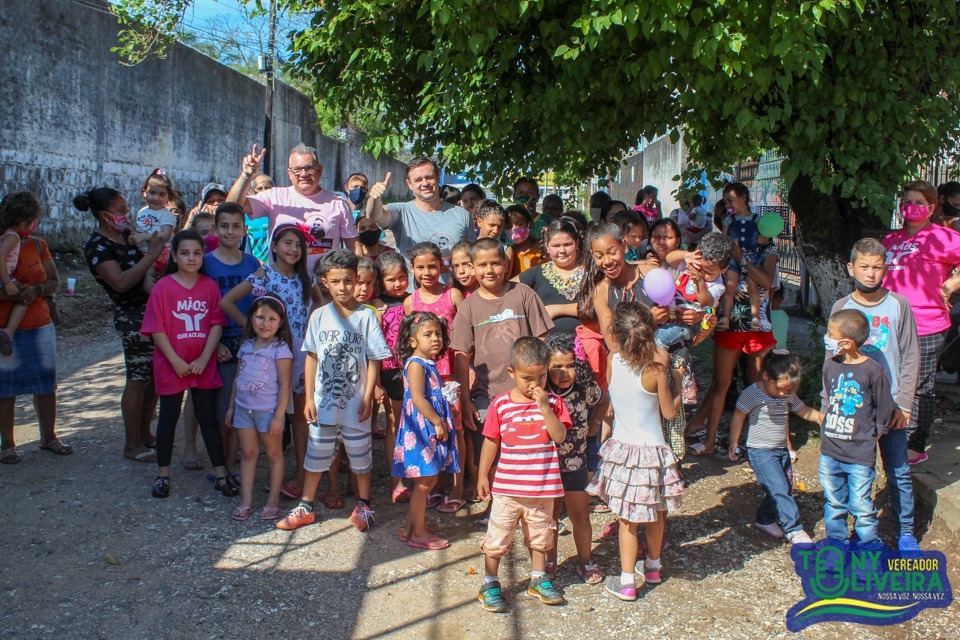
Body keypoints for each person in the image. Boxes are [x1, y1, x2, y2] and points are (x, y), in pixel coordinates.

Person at [276, 250, 391, 532]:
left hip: (356, 403)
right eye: (336, 281)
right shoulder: (318, 316)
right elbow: (312, 356)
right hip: (323, 402)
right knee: (316, 455)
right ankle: (306, 505)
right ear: (325, 282)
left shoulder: (366, 317)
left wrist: (367, 396)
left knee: (360, 455)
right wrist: (310, 396)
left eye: (349, 280)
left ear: (356, 280)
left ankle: (365, 505)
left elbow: (374, 358)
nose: (343, 287)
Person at [587, 302, 683, 601]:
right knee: (657, 513)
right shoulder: (656, 369)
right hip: (653, 452)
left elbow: (614, 399)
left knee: (627, 521)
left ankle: (627, 581)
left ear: (615, 333)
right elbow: (669, 413)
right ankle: (652, 567)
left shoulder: (613, 360)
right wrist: (677, 383)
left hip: (624, 452)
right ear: (650, 332)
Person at [832, 238, 921, 551]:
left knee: (898, 471)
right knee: (859, 474)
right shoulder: (842, 308)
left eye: (877, 267)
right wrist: (832, 405)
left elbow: (910, 355)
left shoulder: (898, 305)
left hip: (893, 406)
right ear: (850, 267)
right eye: (864, 266)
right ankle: (863, 531)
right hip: (855, 410)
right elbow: (832, 358)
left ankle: (906, 532)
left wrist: (905, 403)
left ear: (885, 269)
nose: (870, 274)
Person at [221, 224, 321, 499]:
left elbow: (320, 306)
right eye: (287, 243)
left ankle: (301, 476)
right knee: (264, 411)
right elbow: (227, 302)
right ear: (274, 246)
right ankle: (246, 470)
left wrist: (312, 333)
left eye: (299, 245)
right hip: (267, 357)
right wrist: (253, 333)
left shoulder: (306, 277)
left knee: (299, 417)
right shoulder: (265, 275)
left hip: (299, 355)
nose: (293, 249)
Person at [476, 337, 571, 612]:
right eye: (527, 378)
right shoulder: (501, 405)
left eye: (541, 377)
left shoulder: (553, 403)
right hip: (507, 488)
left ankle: (538, 579)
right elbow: (491, 440)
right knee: (498, 537)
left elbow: (559, 435)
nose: (535, 384)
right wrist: (483, 475)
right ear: (511, 373)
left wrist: (544, 408)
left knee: (542, 536)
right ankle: (490, 582)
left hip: (542, 488)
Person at [141, 230, 238, 499]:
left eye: (197, 253)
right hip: (171, 364)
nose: (191, 258)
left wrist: (204, 358)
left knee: (207, 417)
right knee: (168, 418)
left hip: (201, 364)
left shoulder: (209, 286)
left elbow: (217, 323)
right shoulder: (163, 287)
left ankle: (220, 475)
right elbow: (156, 327)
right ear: (174, 256)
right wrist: (175, 360)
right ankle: (163, 475)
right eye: (184, 253)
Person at [686, 185, 778, 456]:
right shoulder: (728, 230)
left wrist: (743, 257)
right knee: (720, 383)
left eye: (731, 200)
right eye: (725, 201)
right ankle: (710, 439)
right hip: (730, 322)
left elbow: (767, 281)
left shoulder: (767, 245)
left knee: (757, 381)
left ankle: (757, 442)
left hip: (758, 323)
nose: (728, 205)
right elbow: (719, 266)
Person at [80, 187, 164, 462]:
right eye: (120, 210)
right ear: (104, 216)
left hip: (152, 312)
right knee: (138, 378)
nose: (126, 215)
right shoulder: (98, 246)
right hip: (132, 316)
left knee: (153, 377)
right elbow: (121, 282)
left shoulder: (126, 236)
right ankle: (132, 444)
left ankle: (145, 434)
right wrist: (151, 255)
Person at [451, 238, 554, 459]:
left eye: (495, 263)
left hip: (529, 393)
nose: (489, 270)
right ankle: (490, 489)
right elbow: (461, 355)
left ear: (506, 265)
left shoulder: (523, 294)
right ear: (472, 267)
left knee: (530, 449)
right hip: (487, 395)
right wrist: (466, 400)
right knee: (490, 451)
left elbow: (543, 339)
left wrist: (543, 384)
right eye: (482, 265)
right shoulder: (468, 307)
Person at [883, 179, 960, 465]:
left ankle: (914, 445)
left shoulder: (942, 237)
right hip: (890, 323)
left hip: (927, 324)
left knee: (919, 387)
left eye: (918, 202)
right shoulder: (891, 240)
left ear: (931, 207)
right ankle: (893, 435)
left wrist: (952, 284)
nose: (911, 207)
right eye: (907, 201)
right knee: (892, 382)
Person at [0, 193, 71, 464]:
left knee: (45, 384)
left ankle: (49, 437)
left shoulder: (39, 245)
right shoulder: (6, 243)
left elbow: (53, 281)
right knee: (5, 388)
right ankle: (7, 444)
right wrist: (15, 295)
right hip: (5, 327)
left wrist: (36, 290)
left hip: (40, 324)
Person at [190, 203, 261, 474]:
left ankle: (231, 463)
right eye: (224, 226)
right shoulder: (205, 264)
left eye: (236, 226)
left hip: (246, 344)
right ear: (216, 229)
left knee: (240, 409)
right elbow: (197, 305)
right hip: (215, 345)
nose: (230, 231)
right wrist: (213, 342)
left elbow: (257, 304)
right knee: (219, 410)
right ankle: (219, 463)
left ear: (245, 230)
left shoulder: (252, 263)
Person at [819, 309, 897, 547]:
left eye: (831, 334)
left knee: (862, 504)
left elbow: (884, 405)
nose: (827, 337)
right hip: (830, 450)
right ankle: (836, 543)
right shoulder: (830, 366)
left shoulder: (873, 371)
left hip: (859, 453)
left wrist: (877, 431)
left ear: (846, 342)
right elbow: (830, 397)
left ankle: (868, 546)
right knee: (834, 501)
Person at [727, 351, 820, 545]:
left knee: (782, 486)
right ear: (766, 376)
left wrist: (821, 417)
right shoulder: (752, 393)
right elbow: (738, 415)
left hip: (780, 450)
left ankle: (765, 519)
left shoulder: (787, 394)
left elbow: (802, 410)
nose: (783, 394)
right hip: (760, 451)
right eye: (780, 389)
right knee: (779, 488)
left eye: (788, 390)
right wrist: (733, 442)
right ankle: (794, 529)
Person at [228, 143, 358, 271]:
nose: (303, 174)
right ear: (289, 173)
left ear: (319, 170)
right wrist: (246, 175)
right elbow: (232, 207)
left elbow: (355, 249)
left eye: (309, 168)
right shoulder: (274, 197)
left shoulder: (338, 203)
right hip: (283, 287)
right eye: (297, 169)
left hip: (325, 286)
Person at [405, 243, 466, 512]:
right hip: (426, 377)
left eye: (432, 266)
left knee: (456, 430)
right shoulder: (411, 301)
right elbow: (409, 342)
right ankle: (435, 487)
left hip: (450, 374)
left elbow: (464, 336)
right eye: (420, 267)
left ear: (442, 266)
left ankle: (457, 487)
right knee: (432, 431)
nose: (427, 272)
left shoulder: (454, 295)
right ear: (413, 269)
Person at [544, 332, 608, 584]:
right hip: (546, 465)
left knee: (580, 515)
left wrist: (594, 425)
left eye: (570, 365)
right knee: (550, 518)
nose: (563, 372)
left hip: (576, 463)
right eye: (556, 366)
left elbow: (604, 400)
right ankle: (549, 563)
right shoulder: (539, 392)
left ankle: (585, 561)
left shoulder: (584, 389)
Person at [393, 311, 461, 549]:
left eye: (438, 334)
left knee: (427, 480)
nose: (435, 338)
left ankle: (412, 528)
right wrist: (438, 422)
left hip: (427, 427)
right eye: (428, 334)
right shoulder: (416, 364)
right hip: (422, 429)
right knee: (424, 483)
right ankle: (419, 534)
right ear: (413, 341)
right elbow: (418, 399)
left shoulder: (427, 363)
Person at [224, 295, 292, 521]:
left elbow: (284, 385)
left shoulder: (280, 349)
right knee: (249, 453)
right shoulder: (245, 346)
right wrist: (232, 407)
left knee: (273, 454)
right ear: (251, 318)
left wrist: (278, 417)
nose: (265, 324)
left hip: (268, 413)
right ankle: (247, 500)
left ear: (280, 322)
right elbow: (237, 378)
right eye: (260, 317)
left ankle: (273, 500)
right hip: (244, 410)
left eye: (272, 319)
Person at [365, 157, 474, 272]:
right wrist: (374, 197)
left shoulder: (462, 214)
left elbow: (472, 256)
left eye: (429, 177)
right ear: (409, 184)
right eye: (418, 180)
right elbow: (375, 216)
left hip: (453, 288)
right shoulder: (401, 211)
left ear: (438, 177)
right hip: (412, 289)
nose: (425, 183)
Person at [372, 251, 411, 502]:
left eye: (402, 277)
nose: (397, 284)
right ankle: (396, 478)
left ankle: (416, 473)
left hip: (412, 370)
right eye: (391, 279)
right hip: (388, 371)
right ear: (380, 281)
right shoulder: (377, 304)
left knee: (412, 424)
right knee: (394, 425)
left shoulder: (412, 301)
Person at [655, 231, 732, 350]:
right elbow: (669, 258)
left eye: (708, 272)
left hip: (688, 325)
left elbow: (705, 302)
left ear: (724, 269)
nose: (701, 273)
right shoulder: (691, 261)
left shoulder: (717, 286)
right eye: (699, 267)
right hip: (668, 316)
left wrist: (700, 282)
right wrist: (686, 255)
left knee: (659, 339)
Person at [518, 219, 586, 334]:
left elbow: (595, 307)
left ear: (577, 243)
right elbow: (507, 290)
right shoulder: (537, 273)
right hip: (545, 346)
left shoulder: (590, 273)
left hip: (585, 345)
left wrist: (555, 310)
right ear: (547, 247)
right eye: (556, 246)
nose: (562, 250)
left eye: (567, 244)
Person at [719, 212, 782, 331]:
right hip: (732, 326)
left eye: (760, 234)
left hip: (756, 328)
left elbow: (767, 283)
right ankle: (725, 317)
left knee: (752, 286)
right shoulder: (730, 253)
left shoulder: (768, 250)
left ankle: (755, 317)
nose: (757, 237)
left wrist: (740, 257)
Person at [0, 194, 41, 355]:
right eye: (33, 222)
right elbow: (1, 260)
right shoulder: (11, 237)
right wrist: (8, 283)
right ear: (24, 224)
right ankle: (8, 332)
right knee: (25, 297)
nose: (34, 226)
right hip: (3, 277)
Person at [130, 169, 177, 270]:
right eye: (152, 193)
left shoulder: (166, 215)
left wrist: (144, 237)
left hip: (159, 255)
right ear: (144, 192)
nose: (156, 198)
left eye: (161, 195)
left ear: (169, 197)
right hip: (142, 253)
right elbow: (140, 229)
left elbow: (165, 235)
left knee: (150, 281)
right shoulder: (142, 211)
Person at [513, 177, 554, 243]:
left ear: (537, 197)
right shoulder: (505, 222)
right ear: (514, 197)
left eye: (530, 193)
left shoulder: (550, 222)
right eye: (520, 193)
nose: (525, 196)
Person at [505, 204, 541, 278]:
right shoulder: (509, 253)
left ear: (529, 223)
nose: (514, 229)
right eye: (509, 226)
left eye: (520, 224)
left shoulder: (542, 248)